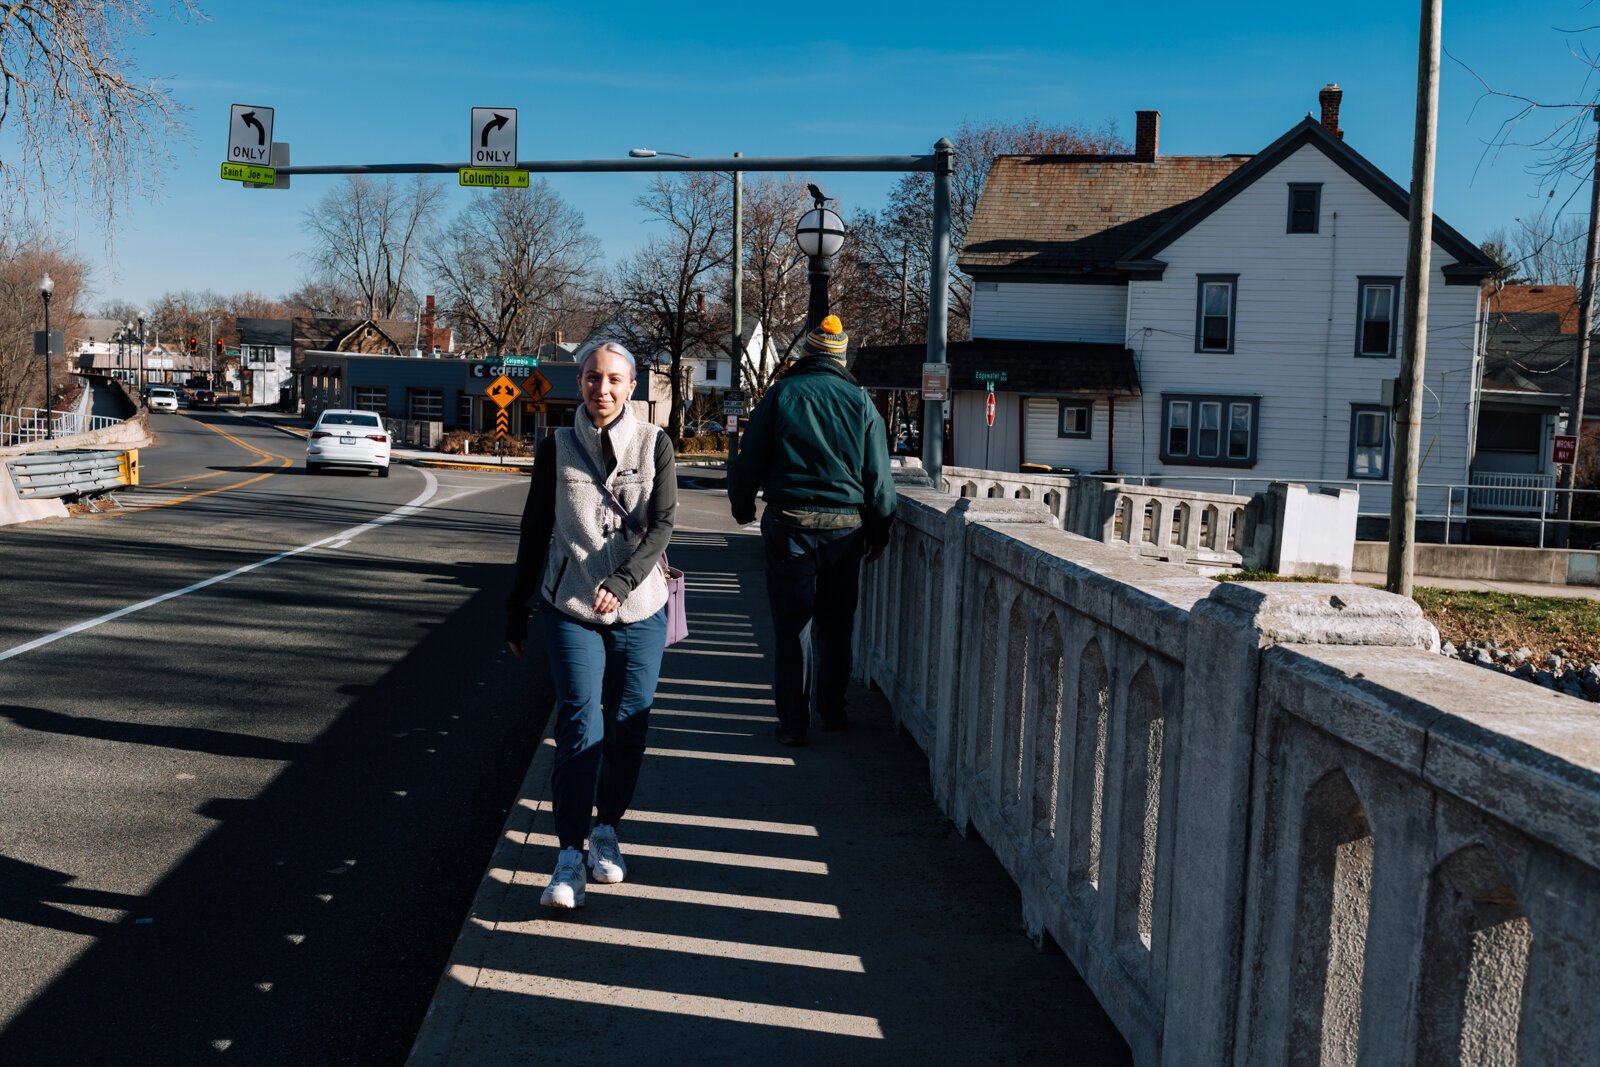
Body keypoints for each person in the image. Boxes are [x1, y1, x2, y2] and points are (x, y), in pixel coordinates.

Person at [505, 341, 676, 909]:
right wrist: (517, 605)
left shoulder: (655, 445)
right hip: (571, 606)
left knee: (629, 727)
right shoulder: (555, 447)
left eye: (613, 380)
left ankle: (607, 831)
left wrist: (623, 582)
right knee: (581, 722)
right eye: (590, 378)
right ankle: (569, 857)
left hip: (641, 608)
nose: (600, 389)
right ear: (578, 384)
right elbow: (535, 529)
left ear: (632, 387)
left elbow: (662, 526)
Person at [729, 315, 896, 746]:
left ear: (807, 353)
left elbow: (750, 459)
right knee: (836, 625)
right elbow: (878, 477)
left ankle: (792, 723)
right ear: (840, 356)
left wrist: (743, 505)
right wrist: (880, 533)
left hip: (790, 526)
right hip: (845, 530)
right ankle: (834, 710)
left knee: (791, 628)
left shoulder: (781, 394)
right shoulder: (860, 403)